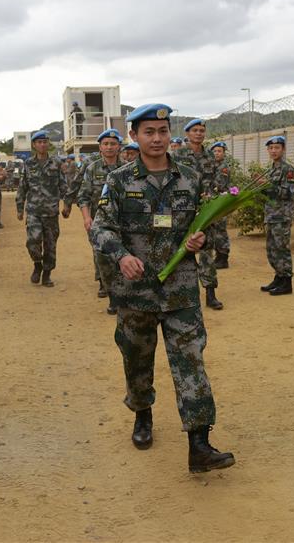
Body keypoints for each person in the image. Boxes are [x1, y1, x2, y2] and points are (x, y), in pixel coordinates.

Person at [90, 103, 235, 473]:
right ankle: (142, 413)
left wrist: (197, 241)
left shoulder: (189, 178)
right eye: (148, 132)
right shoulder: (120, 181)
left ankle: (199, 442)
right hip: (135, 290)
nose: (156, 138)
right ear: (134, 136)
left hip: (181, 289)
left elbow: (201, 224)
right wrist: (121, 256)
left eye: (162, 130)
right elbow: (101, 229)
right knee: (137, 359)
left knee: (191, 362)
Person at [174, 119, 223, 310]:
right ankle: (182, 294)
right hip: (181, 208)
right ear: (187, 134)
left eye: (202, 130)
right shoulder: (177, 155)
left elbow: (215, 181)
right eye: (195, 130)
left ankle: (210, 293)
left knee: (207, 251)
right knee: (182, 249)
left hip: (205, 209)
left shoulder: (210, 156)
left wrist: (213, 198)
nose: (199, 133)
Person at [16, 130, 73, 286]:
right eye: (39, 142)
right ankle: (37, 265)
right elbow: (23, 187)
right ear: (34, 145)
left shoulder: (56, 163)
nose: (42, 144)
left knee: (50, 245)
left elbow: (63, 185)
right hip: (33, 211)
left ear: (48, 144)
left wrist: (67, 205)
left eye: (44, 142)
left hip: (51, 212)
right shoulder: (28, 164)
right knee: (32, 241)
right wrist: (20, 208)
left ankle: (47, 274)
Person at [78, 128, 123, 314]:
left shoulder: (129, 167)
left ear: (119, 147)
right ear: (100, 148)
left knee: (123, 256)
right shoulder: (92, 168)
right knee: (103, 257)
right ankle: (111, 294)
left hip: (124, 221)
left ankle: (123, 294)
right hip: (100, 222)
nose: (110, 147)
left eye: (113, 144)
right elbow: (83, 196)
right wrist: (87, 217)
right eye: (106, 144)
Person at [260, 136, 294, 295]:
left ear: (283, 149)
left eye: (277, 148)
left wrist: (267, 185)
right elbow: (267, 193)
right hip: (271, 215)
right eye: (271, 148)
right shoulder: (271, 169)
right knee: (272, 249)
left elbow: (288, 192)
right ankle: (279, 277)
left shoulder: (287, 169)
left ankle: (287, 282)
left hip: (281, 216)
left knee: (282, 249)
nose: (274, 151)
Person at [209, 141, 231, 269]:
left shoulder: (223, 168)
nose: (216, 153)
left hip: (220, 202)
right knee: (215, 229)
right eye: (215, 151)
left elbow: (219, 185)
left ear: (223, 153)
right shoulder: (214, 166)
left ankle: (223, 258)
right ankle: (219, 256)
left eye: (219, 151)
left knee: (220, 230)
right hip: (214, 202)